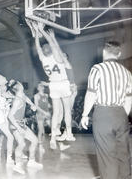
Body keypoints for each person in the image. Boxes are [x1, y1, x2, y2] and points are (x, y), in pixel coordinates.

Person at [81, 41, 132, 179]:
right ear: (119, 54)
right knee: (123, 153)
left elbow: (91, 94)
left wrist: (85, 115)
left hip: (103, 114)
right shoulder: (127, 73)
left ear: (104, 52)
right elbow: (129, 99)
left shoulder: (97, 69)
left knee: (107, 156)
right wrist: (122, 116)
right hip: (121, 114)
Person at [30, 20, 75, 149]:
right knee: (67, 110)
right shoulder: (57, 57)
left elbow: (38, 48)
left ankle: (54, 135)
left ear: (44, 51)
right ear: (50, 50)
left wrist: (37, 34)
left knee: (56, 112)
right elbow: (52, 43)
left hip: (53, 85)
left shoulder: (43, 59)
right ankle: (69, 132)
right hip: (62, 84)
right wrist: (42, 30)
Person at [8, 81, 44, 174]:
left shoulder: (22, 95)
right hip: (15, 125)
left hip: (21, 124)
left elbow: (27, 99)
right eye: (19, 83)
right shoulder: (17, 100)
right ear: (18, 87)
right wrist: (18, 128)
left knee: (35, 140)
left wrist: (32, 104)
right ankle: (17, 165)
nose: (21, 83)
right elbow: (10, 116)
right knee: (21, 144)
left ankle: (31, 162)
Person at [34, 82, 51, 153]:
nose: (41, 87)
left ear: (43, 87)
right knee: (40, 130)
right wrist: (44, 112)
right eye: (39, 86)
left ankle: (59, 144)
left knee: (53, 128)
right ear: (38, 88)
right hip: (40, 114)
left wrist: (51, 107)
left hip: (47, 114)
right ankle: (40, 145)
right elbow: (37, 106)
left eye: (42, 86)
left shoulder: (46, 95)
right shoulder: (36, 96)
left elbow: (48, 104)